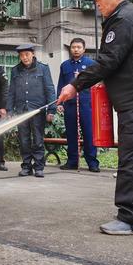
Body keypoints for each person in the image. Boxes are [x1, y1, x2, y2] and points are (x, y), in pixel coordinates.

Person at [58, 0, 133, 236]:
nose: (97, 4)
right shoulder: (127, 17)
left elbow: (108, 60)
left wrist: (76, 84)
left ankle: (132, 218)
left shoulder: (124, 19)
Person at [7, 44, 56, 178]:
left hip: (37, 110)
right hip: (21, 110)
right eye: (22, 55)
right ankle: (26, 166)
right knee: (24, 140)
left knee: (38, 139)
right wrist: (10, 110)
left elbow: (50, 89)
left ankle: (39, 167)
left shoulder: (43, 68)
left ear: (33, 54)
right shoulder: (15, 70)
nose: (25, 58)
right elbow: (11, 92)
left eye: (27, 54)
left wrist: (51, 110)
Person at [56, 37, 99, 172]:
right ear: (70, 49)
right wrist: (60, 102)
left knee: (88, 133)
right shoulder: (65, 65)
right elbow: (61, 84)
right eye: (73, 47)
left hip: (86, 103)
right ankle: (72, 160)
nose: (76, 49)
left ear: (84, 49)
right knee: (71, 133)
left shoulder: (91, 63)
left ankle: (92, 162)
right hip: (70, 103)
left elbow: (96, 84)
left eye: (78, 47)